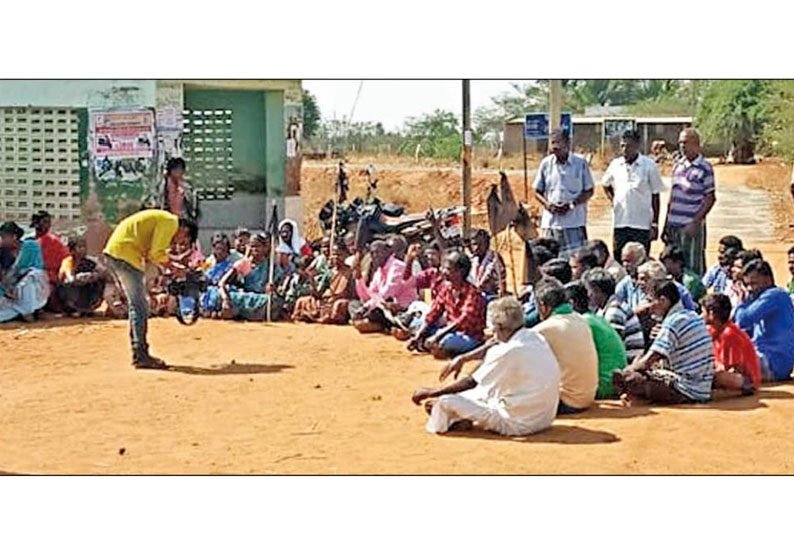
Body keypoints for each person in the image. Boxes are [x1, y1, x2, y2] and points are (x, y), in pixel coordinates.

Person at [411, 297, 560, 437]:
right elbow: (493, 345)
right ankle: (459, 417)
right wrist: (463, 358)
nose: (492, 335)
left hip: (518, 424)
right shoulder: (534, 337)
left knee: (445, 402)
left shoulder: (509, 350)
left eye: (494, 329)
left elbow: (471, 382)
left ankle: (449, 421)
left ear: (501, 327)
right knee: (480, 392)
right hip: (545, 418)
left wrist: (432, 392)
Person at [103, 209, 197, 369]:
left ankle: (139, 351)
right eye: (183, 240)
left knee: (138, 304)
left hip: (119, 253)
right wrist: (173, 266)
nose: (177, 243)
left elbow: (153, 254)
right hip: (125, 256)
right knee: (139, 306)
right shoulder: (170, 222)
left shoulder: (162, 219)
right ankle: (140, 354)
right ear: (185, 231)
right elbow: (156, 253)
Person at [613, 280, 715, 404]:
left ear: (662, 301)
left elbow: (648, 361)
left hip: (687, 389)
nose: (648, 307)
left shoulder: (673, 322)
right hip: (701, 387)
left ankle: (639, 398)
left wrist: (628, 371)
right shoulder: (691, 315)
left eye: (651, 301)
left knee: (629, 378)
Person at [533, 277, 599, 414]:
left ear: (543, 306)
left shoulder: (545, 329)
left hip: (567, 402)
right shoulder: (581, 320)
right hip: (588, 397)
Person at [408, 250, 486, 359]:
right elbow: (433, 313)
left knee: (446, 341)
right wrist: (418, 335)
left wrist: (437, 336)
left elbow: (461, 321)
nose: (443, 271)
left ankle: (442, 348)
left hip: (469, 335)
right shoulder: (446, 289)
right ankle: (431, 345)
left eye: (448, 269)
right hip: (449, 331)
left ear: (461, 272)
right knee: (417, 326)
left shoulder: (473, 293)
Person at [601, 129, 665, 257]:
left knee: (640, 260)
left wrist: (654, 224)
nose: (625, 149)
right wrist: (613, 200)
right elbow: (605, 184)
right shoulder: (615, 165)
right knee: (619, 259)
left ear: (637, 146)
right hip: (620, 223)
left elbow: (655, 196)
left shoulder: (649, 165)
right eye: (622, 146)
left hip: (641, 225)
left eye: (628, 146)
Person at [661, 128, 716, 276]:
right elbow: (673, 197)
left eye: (685, 143)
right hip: (674, 225)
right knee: (672, 264)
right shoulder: (678, 165)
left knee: (692, 266)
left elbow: (710, 198)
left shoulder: (705, 167)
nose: (682, 146)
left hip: (690, 226)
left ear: (696, 144)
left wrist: (696, 222)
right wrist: (666, 224)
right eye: (680, 143)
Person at [532, 129, 595, 259]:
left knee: (576, 261)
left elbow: (589, 190)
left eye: (558, 143)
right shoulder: (546, 164)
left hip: (574, 224)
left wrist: (571, 205)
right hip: (550, 224)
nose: (554, 147)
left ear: (568, 144)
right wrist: (548, 205)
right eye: (552, 143)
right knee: (548, 261)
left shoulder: (580, 164)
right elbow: (536, 191)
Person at [733, 260, 794, 382]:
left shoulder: (774, 295)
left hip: (773, 362)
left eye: (754, 283)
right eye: (747, 284)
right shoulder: (762, 297)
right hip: (768, 359)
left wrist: (741, 300)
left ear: (768, 280)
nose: (750, 289)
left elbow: (743, 320)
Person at [565, 281, 627, 399]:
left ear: (571, 304)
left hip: (603, 386)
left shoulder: (583, 323)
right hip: (614, 382)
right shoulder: (596, 318)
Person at [216, 232, 285, 321]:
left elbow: (280, 288)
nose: (255, 249)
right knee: (220, 296)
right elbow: (222, 283)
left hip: (262, 298)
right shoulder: (243, 263)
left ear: (265, 248)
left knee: (274, 302)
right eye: (252, 246)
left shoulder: (271, 266)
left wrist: (273, 289)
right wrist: (225, 299)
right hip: (245, 297)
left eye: (258, 246)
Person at [351, 240, 416, 333]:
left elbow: (389, 292)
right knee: (353, 304)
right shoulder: (379, 271)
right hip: (381, 305)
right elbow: (368, 295)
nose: (374, 256)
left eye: (377, 252)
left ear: (387, 252)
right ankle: (371, 322)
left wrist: (366, 307)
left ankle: (381, 325)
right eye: (372, 253)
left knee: (375, 311)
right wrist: (359, 279)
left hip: (401, 307)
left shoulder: (397, 266)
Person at [702, 293, 760, 395]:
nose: (701, 315)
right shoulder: (714, 330)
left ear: (711, 314)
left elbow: (736, 369)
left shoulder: (729, 335)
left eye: (702, 312)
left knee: (715, 377)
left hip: (746, 381)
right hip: (728, 373)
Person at [582, 268, 645, 361]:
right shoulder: (602, 309)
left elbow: (612, 345)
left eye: (589, 290)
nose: (588, 295)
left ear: (597, 290)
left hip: (627, 362)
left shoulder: (615, 310)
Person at [292, 244, 356, 324]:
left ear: (345, 255)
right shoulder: (328, 272)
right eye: (333, 254)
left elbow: (352, 294)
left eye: (338, 254)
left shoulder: (350, 272)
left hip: (337, 301)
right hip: (324, 300)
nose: (335, 257)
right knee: (302, 301)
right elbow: (318, 293)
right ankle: (311, 317)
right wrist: (312, 281)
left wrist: (338, 295)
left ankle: (323, 318)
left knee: (339, 305)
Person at [0, 221, 50, 323]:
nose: (1, 240)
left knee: (31, 276)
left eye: (3, 237)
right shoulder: (2, 253)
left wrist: (17, 277)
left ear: (13, 237)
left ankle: (28, 311)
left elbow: (37, 268)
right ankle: (21, 312)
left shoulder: (31, 246)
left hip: (33, 285)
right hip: (9, 290)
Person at [56, 235, 107, 316]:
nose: (83, 249)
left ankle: (89, 307)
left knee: (100, 281)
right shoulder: (68, 262)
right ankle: (73, 308)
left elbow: (103, 272)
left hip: (86, 289)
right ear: (72, 250)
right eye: (79, 247)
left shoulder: (91, 262)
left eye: (84, 246)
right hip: (69, 291)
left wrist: (92, 276)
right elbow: (70, 278)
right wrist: (81, 278)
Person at [30, 210, 69, 311]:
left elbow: (65, 260)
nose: (48, 225)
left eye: (49, 222)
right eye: (45, 222)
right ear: (36, 223)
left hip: (51, 277)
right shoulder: (28, 241)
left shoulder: (54, 241)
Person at [200, 233, 238, 317]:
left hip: (223, 288)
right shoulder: (208, 263)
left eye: (223, 250)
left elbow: (226, 281)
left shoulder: (230, 266)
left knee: (215, 293)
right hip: (209, 288)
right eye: (217, 249)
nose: (220, 252)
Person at [469, 229, 506, 300]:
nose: (476, 248)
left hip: (491, 296)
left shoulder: (494, 259)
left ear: (487, 244)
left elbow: (501, 282)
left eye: (480, 244)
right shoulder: (472, 260)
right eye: (474, 244)